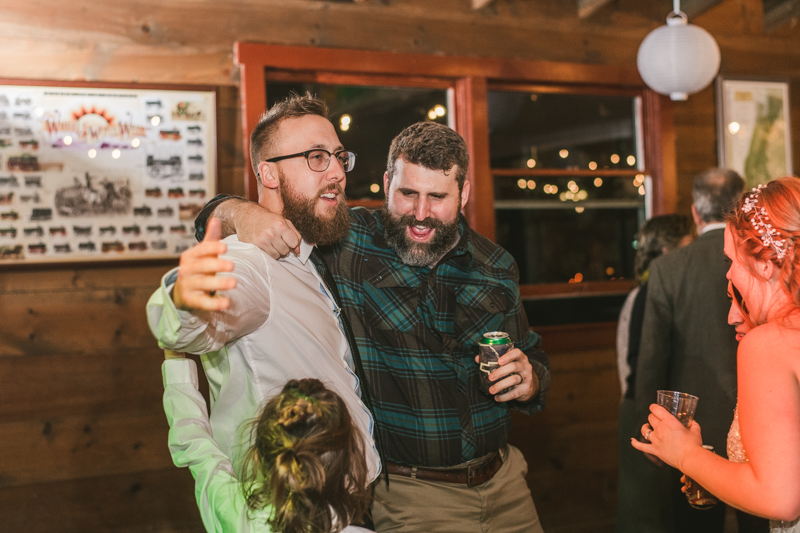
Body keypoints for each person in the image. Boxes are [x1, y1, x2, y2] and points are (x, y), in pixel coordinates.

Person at [198, 118, 551, 532]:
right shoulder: (348, 242)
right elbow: (267, 210)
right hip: (411, 497)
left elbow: (533, 357)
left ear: (464, 193)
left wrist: (531, 381)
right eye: (407, 193)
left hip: (506, 481)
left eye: (437, 196)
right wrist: (239, 212)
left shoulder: (497, 265)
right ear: (386, 184)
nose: (421, 213)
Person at [146, 94, 381, 526]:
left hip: (352, 497)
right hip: (293, 514)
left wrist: (231, 208)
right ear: (267, 173)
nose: (336, 172)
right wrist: (183, 300)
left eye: (338, 157)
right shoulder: (252, 263)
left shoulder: (308, 251)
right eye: (315, 157)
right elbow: (187, 328)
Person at [633, 176, 800, 532]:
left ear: (765, 265)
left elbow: (781, 498)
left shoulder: (770, 343)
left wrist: (686, 455)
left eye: (730, 260)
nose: (727, 273)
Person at [163, 350, 374, 532]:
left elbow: (195, 444)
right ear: (351, 459)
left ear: (256, 456)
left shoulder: (233, 510)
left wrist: (173, 355)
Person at [615, 213, 693, 533]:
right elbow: (639, 363)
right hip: (645, 408)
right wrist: (646, 421)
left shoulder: (646, 291)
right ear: (667, 251)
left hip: (647, 408)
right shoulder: (650, 294)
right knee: (643, 512)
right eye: (688, 248)